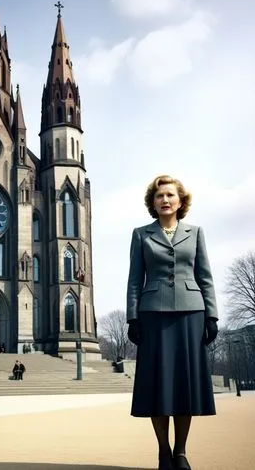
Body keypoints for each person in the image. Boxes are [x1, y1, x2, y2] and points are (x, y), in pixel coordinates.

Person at [126, 175, 218, 470]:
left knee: (183, 385)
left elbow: (204, 276)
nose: (164, 200)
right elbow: (134, 281)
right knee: (157, 385)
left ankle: (180, 452)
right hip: (153, 315)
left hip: (191, 313)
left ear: (180, 201)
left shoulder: (195, 232)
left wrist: (212, 315)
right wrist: (133, 317)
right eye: (159, 196)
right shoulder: (141, 234)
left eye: (170, 195)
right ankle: (163, 451)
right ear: (152, 203)